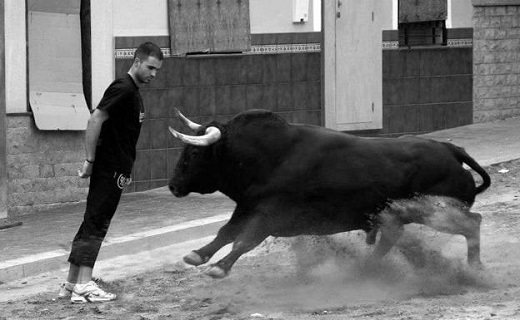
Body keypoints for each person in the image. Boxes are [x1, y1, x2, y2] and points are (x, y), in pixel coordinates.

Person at [58, 42, 163, 303]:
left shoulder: (132, 91)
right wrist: (90, 160)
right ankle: (84, 284)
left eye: (157, 69)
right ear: (137, 62)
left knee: (91, 222)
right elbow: (95, 119)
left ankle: (72, 283)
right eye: (150, 67)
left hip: (115, 169)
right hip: (109, 169)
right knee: (97, 224)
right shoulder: (123, 88)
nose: (153, 74)